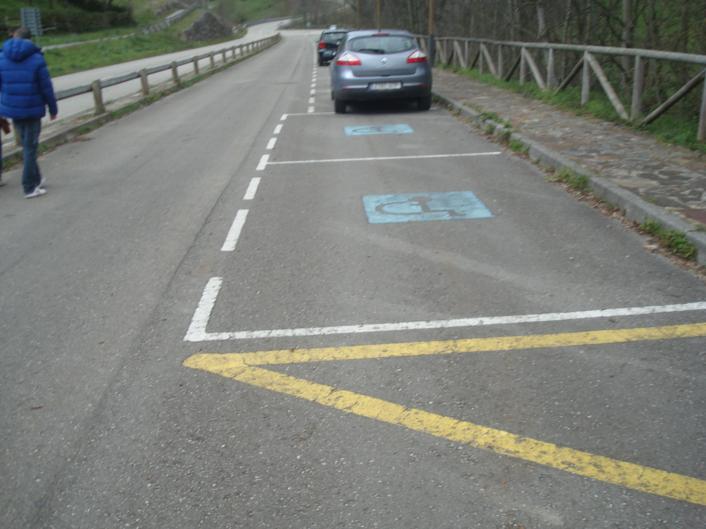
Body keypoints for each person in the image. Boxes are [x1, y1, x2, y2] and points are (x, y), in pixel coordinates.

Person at [0, 27, 58, 198]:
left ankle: (37, 178)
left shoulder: (2, 57)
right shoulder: (36, 59)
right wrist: (53, 109)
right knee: (30, 148)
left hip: (13, 109)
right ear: (29, 40)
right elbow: (46, 87)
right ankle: (29, 186)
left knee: (27, 145)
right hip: (32, 108)